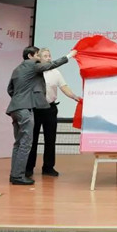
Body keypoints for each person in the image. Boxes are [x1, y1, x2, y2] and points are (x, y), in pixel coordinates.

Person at [6, 46, 76, 185]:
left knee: (19, 143)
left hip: (16, 108)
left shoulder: (17, 69)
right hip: (27, 109)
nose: (41, 58)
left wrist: (20, 100)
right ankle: (19, 175)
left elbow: (10, 89)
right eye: (39, 55)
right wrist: (69, 56)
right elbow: (53, 64)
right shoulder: (33, 66)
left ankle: (15, 174)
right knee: (26, 143)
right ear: (30, 56)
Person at [26, 48, 82, 178]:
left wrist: (74, 96)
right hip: (35, 109)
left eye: (49, 56)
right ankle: (28, 168)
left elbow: (64, 87)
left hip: (50, 109)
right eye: (45, 56)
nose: (49, 58)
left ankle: (48, 167)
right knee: (32, 140)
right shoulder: (34, 72)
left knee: (50, 140)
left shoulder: (55, 72)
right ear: (39, 58)